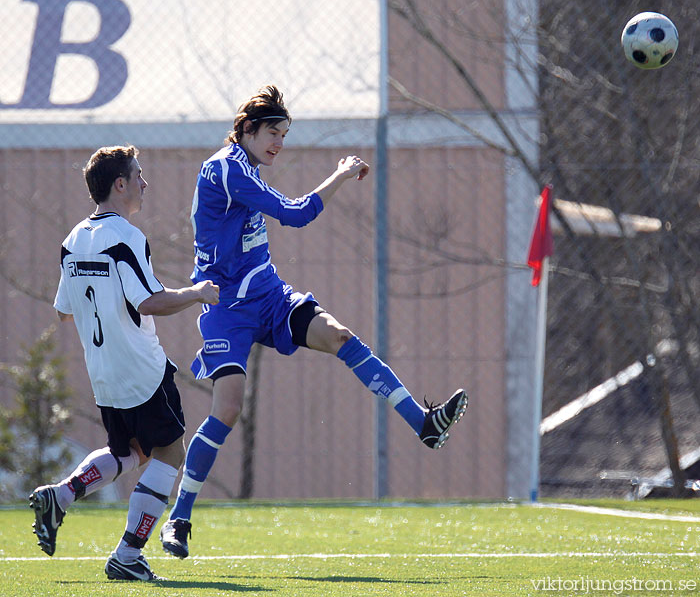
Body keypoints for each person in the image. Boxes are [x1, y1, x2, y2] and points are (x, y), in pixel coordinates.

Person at [159, 85, 469, 559]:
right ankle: (178, 520)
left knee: (341, 336)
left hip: (270, 296)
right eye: (272, 133)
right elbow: (297, 214)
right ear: (246, 130)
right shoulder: (226, 170)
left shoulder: (244, 166)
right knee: (227, 410)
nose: (279, 143)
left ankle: (424, 424)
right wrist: (341, 174)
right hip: (226, 308)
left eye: (284, 134)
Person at [29, 145, 219, 581]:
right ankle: (128, 555)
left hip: (105, 375)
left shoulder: (73, 240)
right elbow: (150, 302)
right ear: (120, 184)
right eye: (138, 175)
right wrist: (196, 293)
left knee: (130, 452)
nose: (144, 183)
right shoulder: (126, 238)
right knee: (171, 452)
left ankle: (62, 494)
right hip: (142, 370)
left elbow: (63, 310)